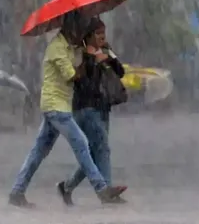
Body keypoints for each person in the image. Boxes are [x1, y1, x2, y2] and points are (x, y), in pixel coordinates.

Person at [8, 11, 125, 208]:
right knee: (81, 144)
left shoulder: (71, 46)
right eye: (80, 29)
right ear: (72, 28)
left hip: (60, 105)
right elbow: (74, 77)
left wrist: (100, 52)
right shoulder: (57, 49)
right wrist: (90, 58)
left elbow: (112, 67)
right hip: (56, 107)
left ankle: (17, 191)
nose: (83, 33)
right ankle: (101, 188)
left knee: (38, 152)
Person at [57, 17, 127, 206]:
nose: (102, 37)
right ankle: (107, 191)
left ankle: (67, 186)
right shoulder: (79, 53)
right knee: (102, 149)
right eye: (98, 34)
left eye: (103, 33)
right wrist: (92, 61)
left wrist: (108, 59)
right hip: (85, 108)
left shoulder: (106, 50)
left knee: (95, 154)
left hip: (104, 106)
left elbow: (120, 72)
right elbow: (82, 83)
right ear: (88, 36)